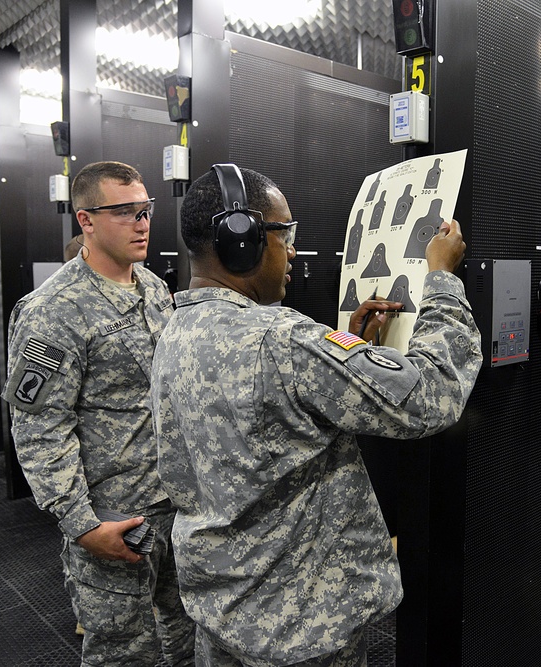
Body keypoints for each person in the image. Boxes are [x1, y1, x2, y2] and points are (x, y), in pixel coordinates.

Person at [150, 164, 482, 666]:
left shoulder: (175, 331)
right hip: (304, 628)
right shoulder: (285, 339)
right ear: (245, 241)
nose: (294, 250)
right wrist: (441, 281)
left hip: (225, 612)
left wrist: (347, 348)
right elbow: (432, 394)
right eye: (286, 234)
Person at [1, 161, 194, 666]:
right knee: (122, 653)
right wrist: (81, 524)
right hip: (115, 515)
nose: (142, 223)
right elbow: (40, 425)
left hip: (177, 505)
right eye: (125, 212)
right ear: (85, 220)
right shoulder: (53, 309)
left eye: (146, 210)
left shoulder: (154, 288)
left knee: (186, 638)